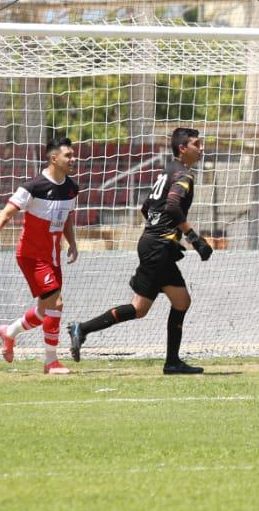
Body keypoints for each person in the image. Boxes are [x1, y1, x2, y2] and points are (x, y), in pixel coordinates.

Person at [69, 127, 212, 375]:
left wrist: (160, 234)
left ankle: (83, 329)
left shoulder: (167, 171)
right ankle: (172, 362)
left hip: (154, 245)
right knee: (165, 305)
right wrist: (194, 239)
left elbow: (146, 207)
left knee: (151, 306)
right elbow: (173, 206)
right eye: (197, 144)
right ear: (182, 148)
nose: (202, 149)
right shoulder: (184, 175)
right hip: (158, 248)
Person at [0, 137, 80, 375]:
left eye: (73, 154)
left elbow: (67, 218)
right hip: (32, 256)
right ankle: (51, 361)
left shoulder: (72, 187)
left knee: (44, 310)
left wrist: (73, 243)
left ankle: (9, 332)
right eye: (68, 155)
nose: (73, 159)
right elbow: (8, 210)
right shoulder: (33, 186)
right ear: (54, 158)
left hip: (53, 255)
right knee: (56, 303)